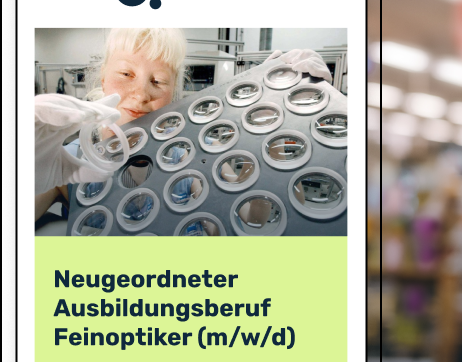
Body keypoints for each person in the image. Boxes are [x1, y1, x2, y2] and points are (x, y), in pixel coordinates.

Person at [33, 27, 331, 227]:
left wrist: (277, 129)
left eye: (158, 81)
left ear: (173, 91)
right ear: (102, 78)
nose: (141, 93)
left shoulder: (190, 155)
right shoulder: (64, 160)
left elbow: (255, 215)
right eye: (126, 73)